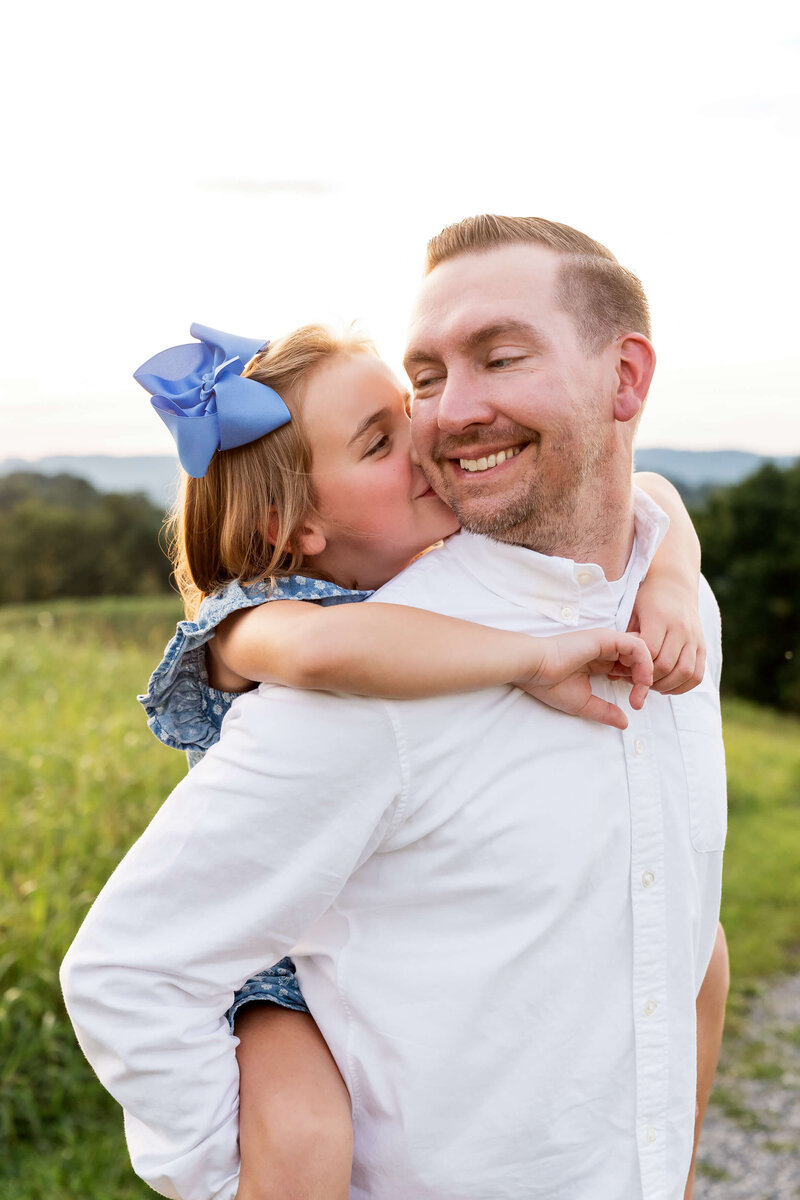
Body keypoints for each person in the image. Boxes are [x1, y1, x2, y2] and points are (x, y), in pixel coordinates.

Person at [61, 216, 727, 1200]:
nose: (441, 422)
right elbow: (128, 974)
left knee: (697, 950)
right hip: (293, 1020)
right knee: (296, 1122)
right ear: (298, 526)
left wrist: (670, 571)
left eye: (498, 357)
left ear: (625, 378)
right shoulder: (338, 672)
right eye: (422, 384)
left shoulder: (655, 582)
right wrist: (249, 1175)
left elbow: (655, 499)